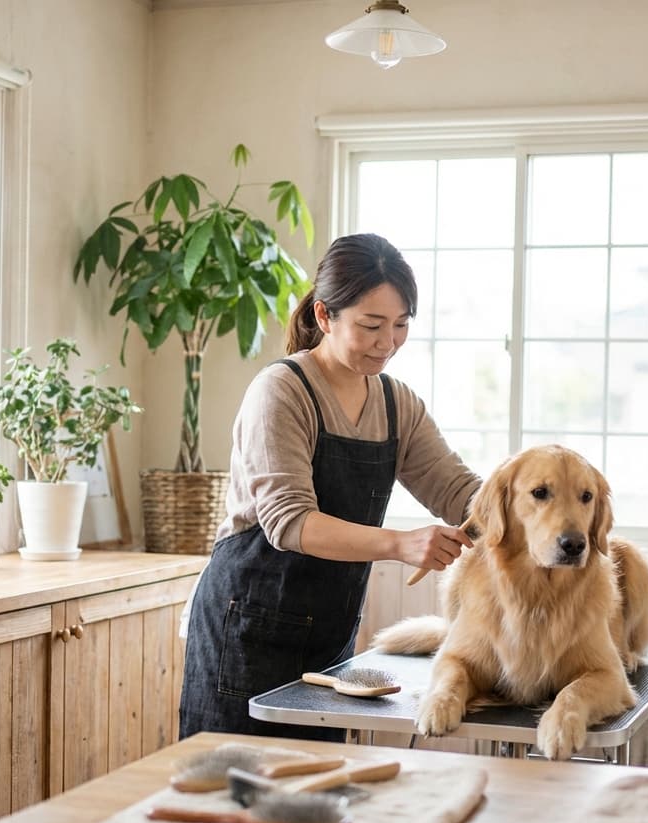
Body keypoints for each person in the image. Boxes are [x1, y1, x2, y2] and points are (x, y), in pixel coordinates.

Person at [179, 233, 481, 740]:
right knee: (229, 801)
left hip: (327, 640)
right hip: (245, 635)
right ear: (324, 316)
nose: (388, 343)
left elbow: (455, 489)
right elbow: (290, 522)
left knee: (315, 799)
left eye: (401, 325)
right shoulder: (281, 391)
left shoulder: (396, 403)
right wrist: (401, 544)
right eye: (371, 325)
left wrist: (531, 497)